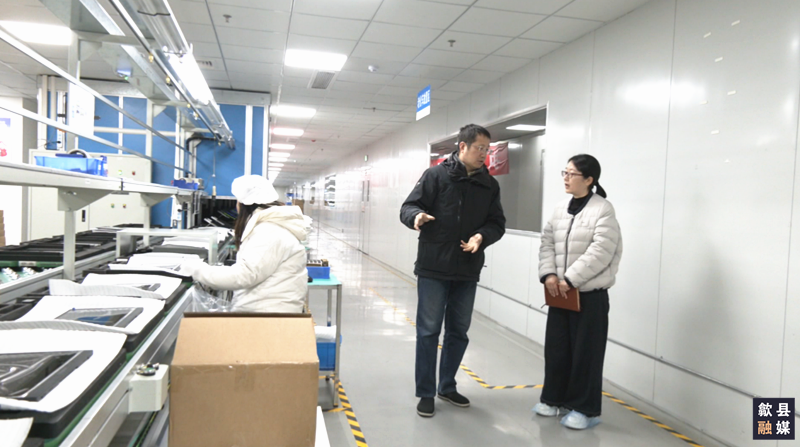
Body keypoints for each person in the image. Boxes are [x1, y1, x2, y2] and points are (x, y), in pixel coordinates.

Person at [400, 124, 506, 418]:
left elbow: (497, 223)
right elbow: (408, 207)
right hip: (433, 267)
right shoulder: (435, 176)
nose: (484, 154)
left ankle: (446, 386)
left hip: (467, 269)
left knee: (458, 331)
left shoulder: (489, 185)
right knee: (428, 331)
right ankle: (425, 392)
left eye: (487, 149)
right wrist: (417, 216)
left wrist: (481, 236)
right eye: (479, 148)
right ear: (462, 146)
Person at [534, 154, 623, 430]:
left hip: (589, 295)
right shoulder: (560, 209)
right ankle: (553, 399)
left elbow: (601, 251)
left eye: (571, 174)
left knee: (587, 353)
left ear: (589, 179)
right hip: (560, 293)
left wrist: (571, 279)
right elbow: (547, 243)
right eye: (565, 172)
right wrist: (550, 274)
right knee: (557, 349)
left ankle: (585, 409)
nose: (566, 178)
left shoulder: (603, 210)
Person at [181, 175, 310, 313]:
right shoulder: (271, 226)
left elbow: (244, 276)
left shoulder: (269, 231)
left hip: (267, 316)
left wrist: (196, 269)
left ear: (243, 204)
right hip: (268, 312)